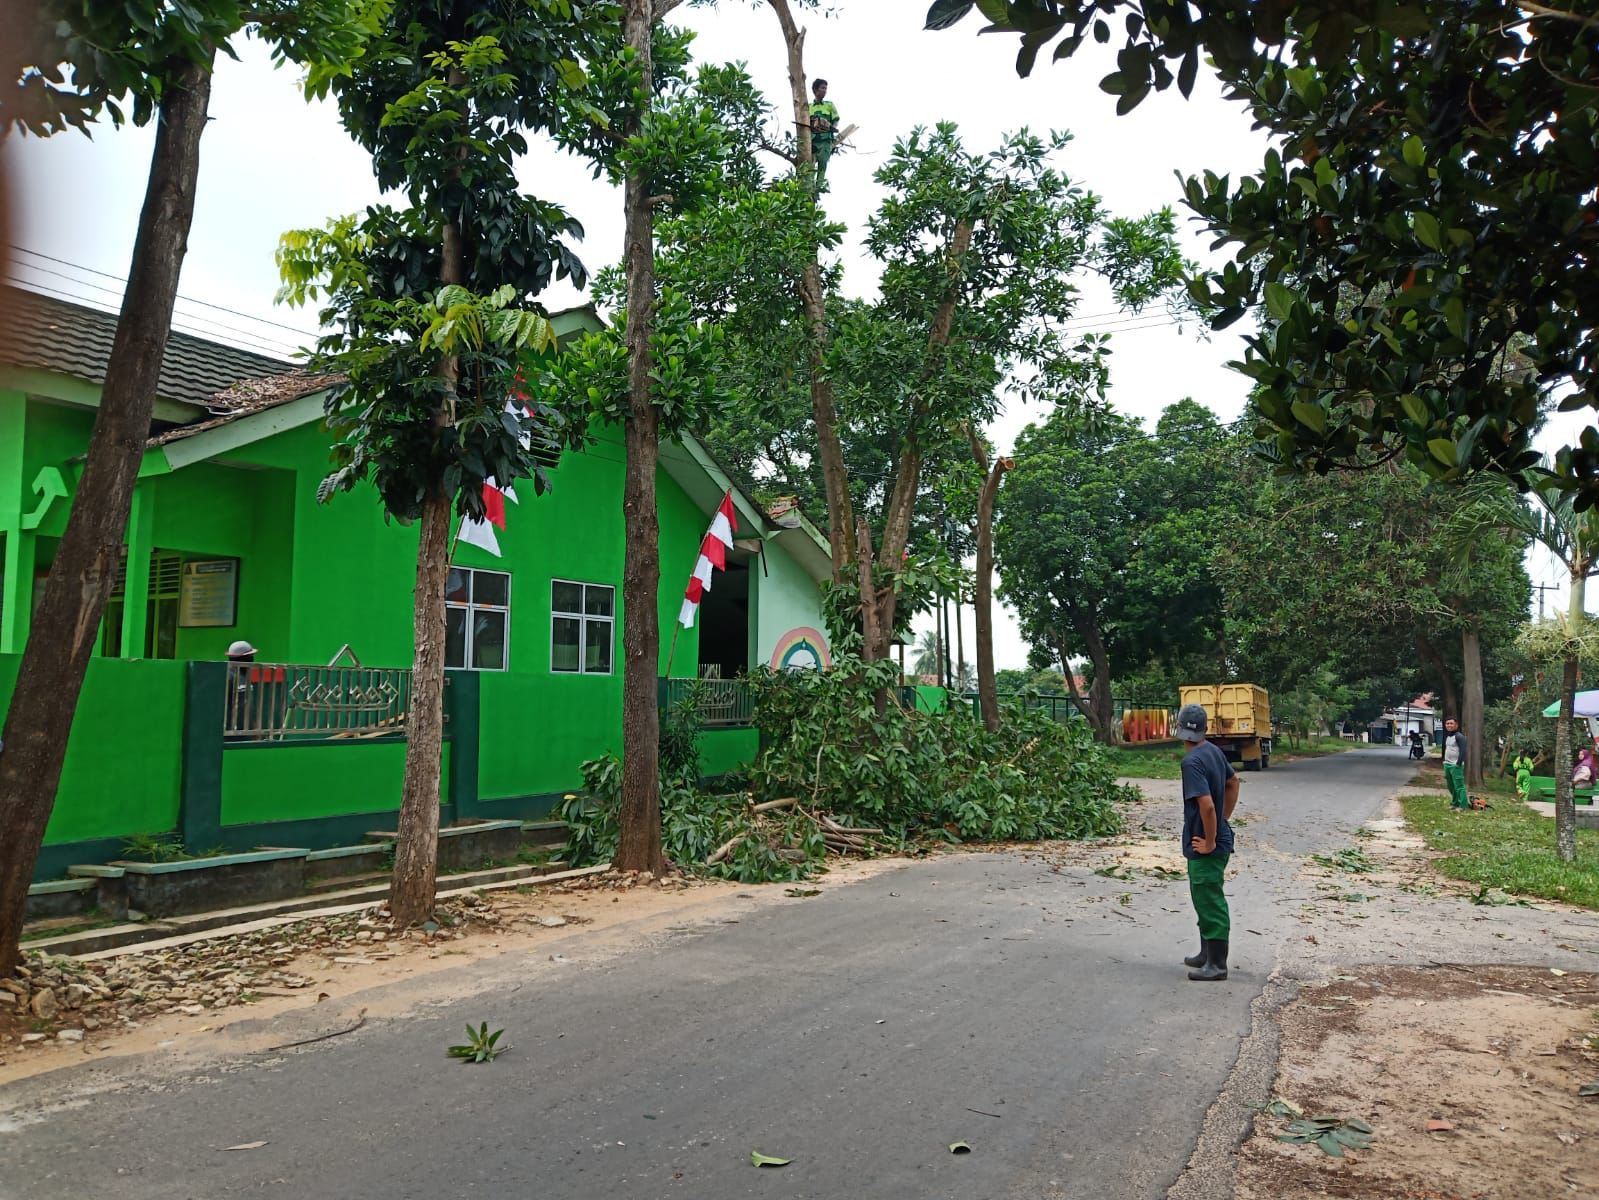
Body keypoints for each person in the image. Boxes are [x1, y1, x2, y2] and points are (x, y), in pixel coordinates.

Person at [1175, 702, 1239, 982]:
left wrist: (1211, 839)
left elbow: (1207, 806)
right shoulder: (1213, 751)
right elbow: (1233, 783)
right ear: (1205, 728)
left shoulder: (1191, 762)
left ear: (1178, 728)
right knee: (1203, 897)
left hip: (1206, 841)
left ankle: (1217, 964)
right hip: (1214, 834)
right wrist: (1224, 819)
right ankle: (1206, 953)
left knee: (1209, 898)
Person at [808, 78, 839, 178]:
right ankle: (807, 189)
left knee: (822, 165)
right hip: (811, 140)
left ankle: (818, 190)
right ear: (816, 89)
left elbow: (836, 119)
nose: (825, 90)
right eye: (822, 88)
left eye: (826, 88)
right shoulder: (808, 106)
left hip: (825, 140)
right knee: (808, 167)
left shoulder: (829, 105)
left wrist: (832, 128)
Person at [1440, 716, 1469, 810]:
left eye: (1451, 723)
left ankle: (1463, 805)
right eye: (1447, 723)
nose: (1449, 725)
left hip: (1455, 765)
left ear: (1456, 725)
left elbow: (1463, 751)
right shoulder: (1448, 736)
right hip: (1447, 764)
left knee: (1459, 786)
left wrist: (1458, 764)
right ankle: (1455, 803)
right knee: (1451, 786)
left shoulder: (1459, 737)